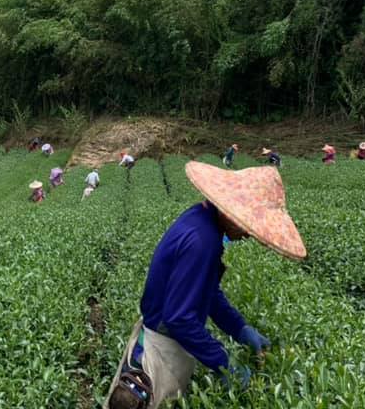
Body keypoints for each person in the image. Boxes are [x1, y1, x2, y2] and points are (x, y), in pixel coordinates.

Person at [105, 161, 305, 408]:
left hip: (167, 342)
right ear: (232, 212)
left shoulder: (201, 220)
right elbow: (179, 319)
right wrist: (224, 363)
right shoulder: (203, 241)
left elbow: (205, 292)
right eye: (248, 225)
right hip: (159, 350)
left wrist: (239, 328)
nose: (248, 234)